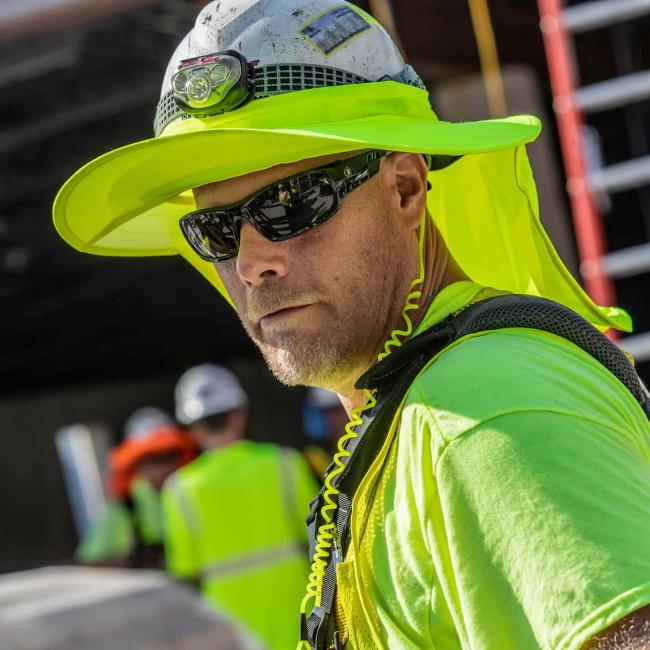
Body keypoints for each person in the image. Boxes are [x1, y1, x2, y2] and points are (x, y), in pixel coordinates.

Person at [54, 1, 650, 648]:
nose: (252, 262)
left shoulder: (483, 407)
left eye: (292, 204)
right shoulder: (414, 410)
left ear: (405, 190)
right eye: (218, 230)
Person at [161, 363, 318, 650]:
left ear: (193, 429)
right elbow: (320, 540)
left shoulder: (179, 489)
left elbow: (185, 567)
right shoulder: (285, 462)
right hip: (298, 610)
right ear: (239, 414)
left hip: (228, 621)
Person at [76, 407, 196, 569]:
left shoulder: (195, 493)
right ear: (136, 464)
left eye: (170, 455)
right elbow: (88, 563)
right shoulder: (125, 509)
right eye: (153, 459)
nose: (164, 466)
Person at [302, 388, 349, 481]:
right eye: (326, 412)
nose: (331, 418)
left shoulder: (369, 447)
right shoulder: (313, 457)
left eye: (336, 410)